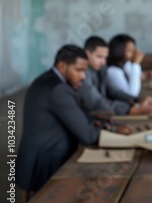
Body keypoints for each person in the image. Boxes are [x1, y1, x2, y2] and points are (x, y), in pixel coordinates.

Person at [16, 45, 130, 193]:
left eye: (84, 70)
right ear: (62, 66)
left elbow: (78, 116)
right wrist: (113, 129)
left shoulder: (49, 81)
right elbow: (88, 136)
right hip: (46, 165)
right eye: (79, 70)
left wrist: (97, 123)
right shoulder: (59, 89)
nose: (83, 76)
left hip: (37, 160)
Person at [78, 36, 152, 116]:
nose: (103, 62)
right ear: (87, 53)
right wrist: (130, 110)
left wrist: (136, 100)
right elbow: (97, 102)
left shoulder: (101, 68)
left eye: (105, 58)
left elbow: (114, 91)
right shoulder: (81, 73)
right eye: (99, 57)